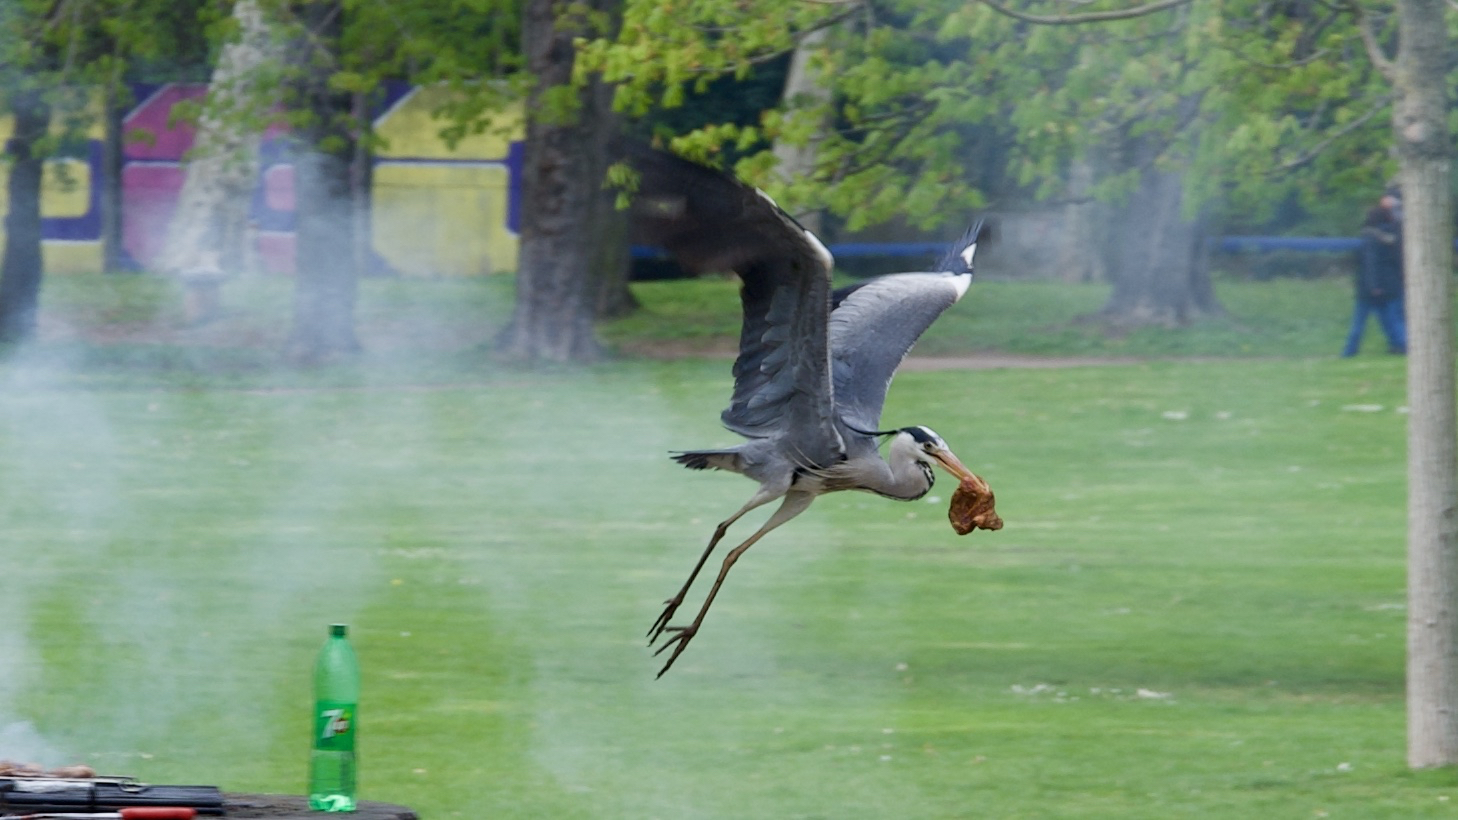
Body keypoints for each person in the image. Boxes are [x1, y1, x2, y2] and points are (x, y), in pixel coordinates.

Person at [1342, 188, 1406, 357]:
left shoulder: (1370, 238)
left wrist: (1372, 286)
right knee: (1391, 319)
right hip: (1383, 286)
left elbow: (1369, 264)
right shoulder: (1390, 237)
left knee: (1361, 322)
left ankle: (1349, 351)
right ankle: (1401, 345)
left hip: (1368, 288)